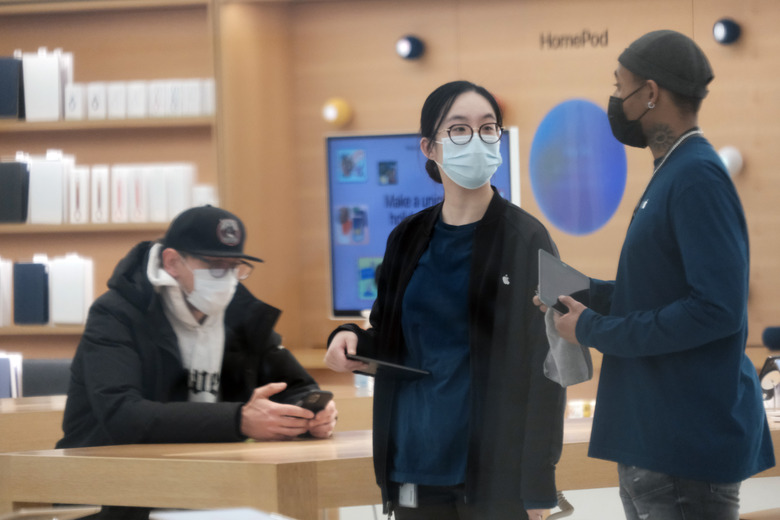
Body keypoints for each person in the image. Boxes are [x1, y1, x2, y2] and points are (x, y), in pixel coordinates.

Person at [536, 30, 775, 520]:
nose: (615, 99)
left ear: (649, 92)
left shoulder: (696, 177)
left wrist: (592, 329)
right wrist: (583, 293)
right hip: (657, 441)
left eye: (619, 85)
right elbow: (657, 293)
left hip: (683, 447)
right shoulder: (674, 171)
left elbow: (716, 310)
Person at [325, 80, 565, 520]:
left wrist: (538, 486)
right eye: (458, 129)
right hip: (414, 461)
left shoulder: (526, 238)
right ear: (429, 148)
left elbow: (548, 364)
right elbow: (389, 336)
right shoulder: (406, 238)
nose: (476, 140)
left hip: (494, 472)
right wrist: (348, 337)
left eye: (487, 128)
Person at [58, 205, 338, 518]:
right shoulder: (116, 314)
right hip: (114, 492)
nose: (227, 280)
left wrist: (312, 412)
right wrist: (239, 420)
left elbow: (293, 386)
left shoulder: (241, 314)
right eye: (215, 266)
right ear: (172, 262)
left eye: (235, 267)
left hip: (212, 485)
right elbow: (123, 415)